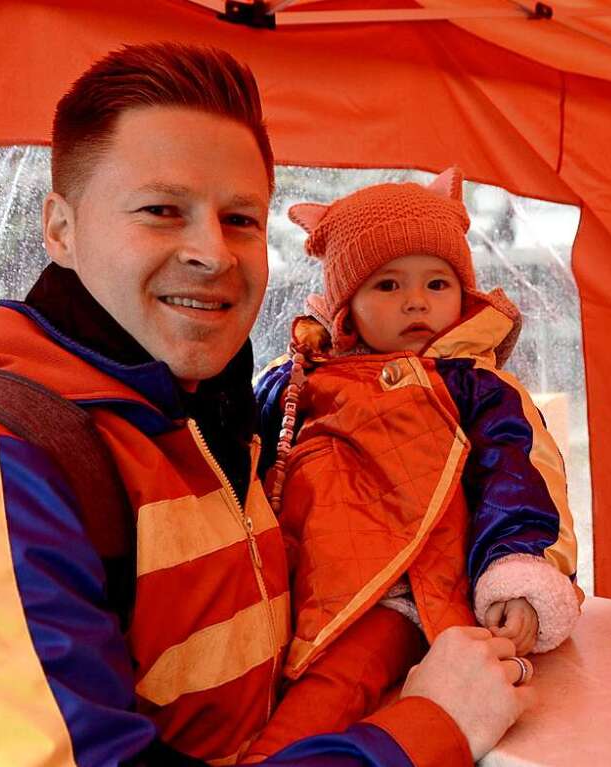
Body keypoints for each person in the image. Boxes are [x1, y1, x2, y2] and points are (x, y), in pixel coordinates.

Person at [0, 43, 534, 766]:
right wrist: (427, 728)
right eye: (161, 210)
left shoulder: (220, 414)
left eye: (240, 218)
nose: (213, 253)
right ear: (60, 227)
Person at [245, 169, 581, 758]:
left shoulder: (474, 388)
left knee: (315, 706)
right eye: (387, 286)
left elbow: (519, 476)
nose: (416, 301)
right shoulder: (299, 379)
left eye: (436, 282)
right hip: (290, 589)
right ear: (346, 306)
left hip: (399, 594)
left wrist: (516, 575)